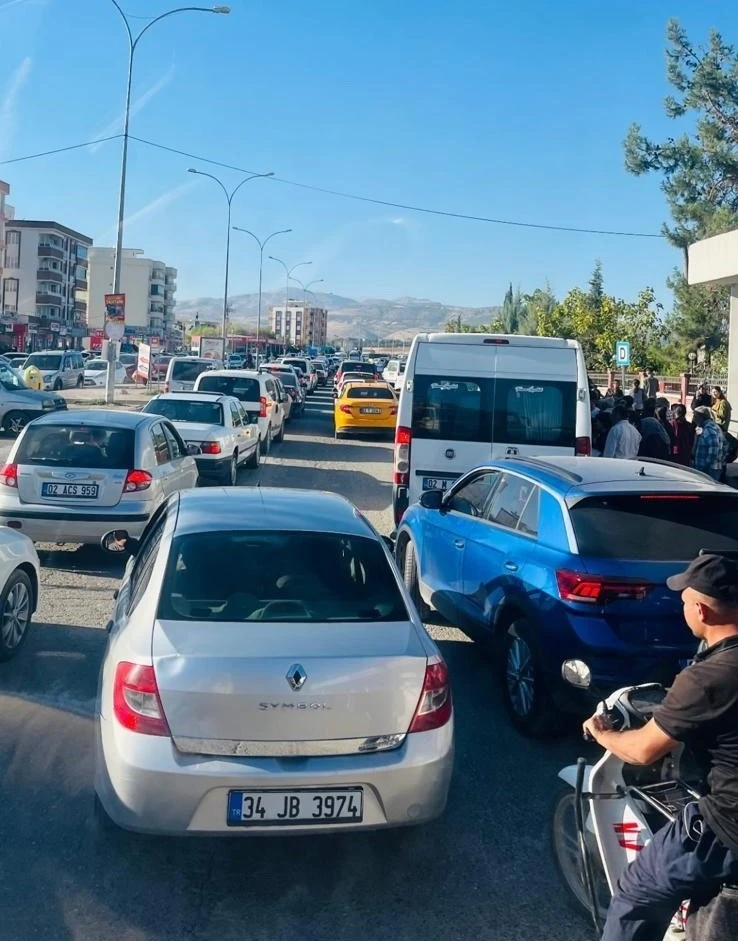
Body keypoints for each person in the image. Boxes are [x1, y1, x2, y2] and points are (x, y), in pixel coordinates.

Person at [585, 553, 738, 941]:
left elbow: (641, 751)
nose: (682, 608)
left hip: (727, 827)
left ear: (701, 610)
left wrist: (604, 735)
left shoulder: (707, 677)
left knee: (637, 891)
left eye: (684, 602)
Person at [693, 406, 725, 481]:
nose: (694, 419)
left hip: (709, 470)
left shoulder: (709, 429)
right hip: (712, 468)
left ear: (701, 417)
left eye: (695, 416)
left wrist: (705, 465)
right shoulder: (713, 426)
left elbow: (714, 449)